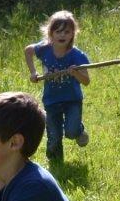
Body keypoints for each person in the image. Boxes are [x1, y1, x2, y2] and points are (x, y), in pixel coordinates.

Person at [24, 11, 90, 162]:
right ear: (50, 33)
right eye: (58, 31)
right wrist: (33, 72)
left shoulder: (77, 55)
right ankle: (56, 163)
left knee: (71, 132)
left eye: (66, 32)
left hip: (72, 100)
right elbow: (28, 51)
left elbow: (86, 81)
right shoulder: (44, 49)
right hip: (51, 100)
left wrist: (76, 73)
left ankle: (78, 131)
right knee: (54, 135)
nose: (62, 35)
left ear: (73, 34)